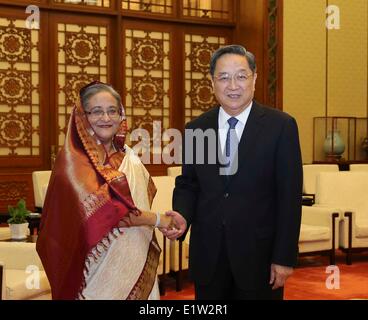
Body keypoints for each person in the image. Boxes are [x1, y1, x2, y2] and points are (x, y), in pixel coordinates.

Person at [163, 45, 303, 300]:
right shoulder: (197, 128)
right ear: (212, 81)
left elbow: (289, 198)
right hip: (209, 257)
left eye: (241, 76)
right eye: (224, 77)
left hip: (259, 258)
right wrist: (183, 214)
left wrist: (283, 258)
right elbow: (189, 184)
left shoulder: (280, 126)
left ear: (254, 78)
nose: (233, 85)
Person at [36, 81, 175, 300]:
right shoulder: (73, 163)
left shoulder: (128, 155)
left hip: (134, 255)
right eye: (96, 112)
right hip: (94, 271)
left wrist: (158, 220)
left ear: (121, 115)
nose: (106, 118)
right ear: (82, 117)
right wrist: (160, 220)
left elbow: (138, 201)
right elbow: (113, 214)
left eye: (112, 111)